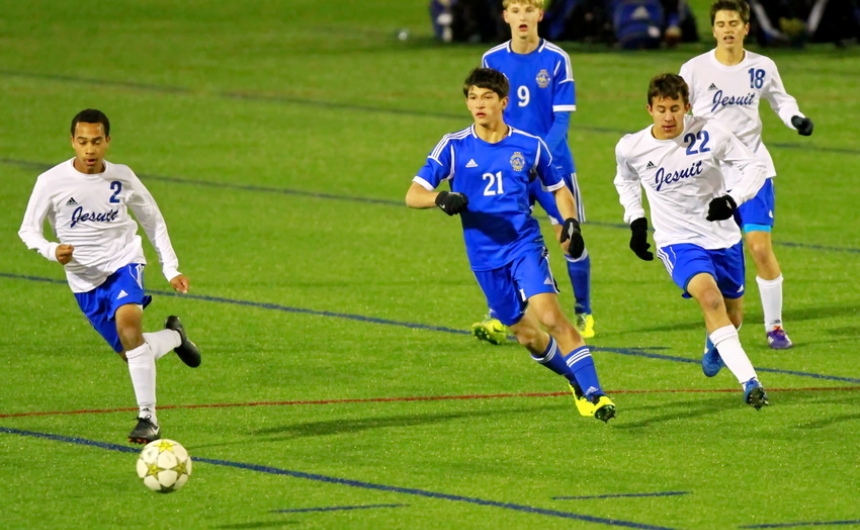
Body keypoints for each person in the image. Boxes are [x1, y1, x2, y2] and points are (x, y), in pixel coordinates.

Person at [406, 67, 616, 422]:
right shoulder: (454, 146)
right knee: (524, 334)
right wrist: (439, 198)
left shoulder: (530, 146)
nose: (479, 104)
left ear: (503, 102)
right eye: (472, 97)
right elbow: (413, 194)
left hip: (524, 245)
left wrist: (571, 222)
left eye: (487, 97)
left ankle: (597, 393)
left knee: (550, 316)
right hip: (484, 258)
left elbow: (558, 189)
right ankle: (575, 381)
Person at [18, 109, 201, 444]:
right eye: (83, 142)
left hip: (123, 263)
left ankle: (148, 418)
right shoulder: (50, 182)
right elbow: (28, 231)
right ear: (72, 141)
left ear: (107, 142)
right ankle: (175, 337)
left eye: (97, 141)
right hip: (83, 281)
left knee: (129, 329)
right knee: (133, 350)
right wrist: (51, 250)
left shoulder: (122, 177)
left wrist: (170, 268)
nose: (90, 150)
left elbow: (152, 220)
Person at [614, 73, 769, 409]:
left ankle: (715, 342)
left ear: (687, 107)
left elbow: (755, 168)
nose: (668, 117)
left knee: (733, 316)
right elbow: (624, 181)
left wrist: (732, 198)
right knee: (710, 300)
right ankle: (751, 382)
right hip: (677, 241)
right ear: (649, 109)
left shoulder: (711, 133)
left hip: (723, 239)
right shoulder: (632, 147)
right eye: (661, 109)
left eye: (675, 109)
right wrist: (636, 220)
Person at [679, 0, 813, 350]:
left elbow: (781, 101)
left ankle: (775, 327)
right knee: (713, 253)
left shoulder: (762, 66)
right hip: (709, 175)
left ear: (746, 28)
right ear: (713, 29)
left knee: (758, 247)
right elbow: (678, 114)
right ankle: (720, 325)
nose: (727, 29)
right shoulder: (694, 69)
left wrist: (795, 119)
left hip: (752, 170)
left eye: (734, 23)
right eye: (721, 23)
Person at [477, 0, 596, 346]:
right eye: (515, 10)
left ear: (540, 15)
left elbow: (561, 118)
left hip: (552, 166)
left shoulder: (557, 59)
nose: (522, 17)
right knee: (502, 239)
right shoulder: (492, 60)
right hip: (510, 168)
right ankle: (499, 315)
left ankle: (583, 311)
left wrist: (537, 154)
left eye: (529, 9)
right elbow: (487, 113)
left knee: (568, 239)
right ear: (505, 16)